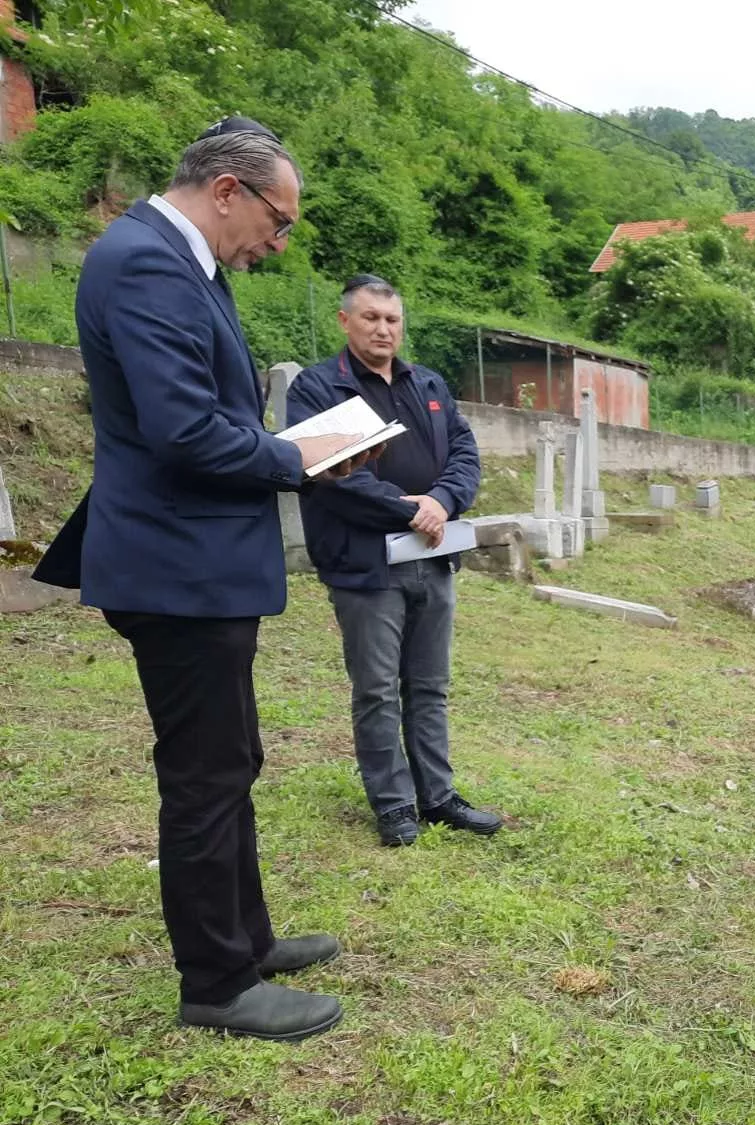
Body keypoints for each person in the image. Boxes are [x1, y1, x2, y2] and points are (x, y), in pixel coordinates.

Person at [39, 117, 371, 1041]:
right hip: (176, 562)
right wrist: (295, 459)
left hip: (194, 557)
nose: (280, 239)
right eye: (280, 217)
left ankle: (246, 937)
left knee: (230, 761)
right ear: (228, 190)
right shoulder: (146, 262)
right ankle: (217, 982)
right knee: (203, 773)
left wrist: (293, 453)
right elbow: (183, 431)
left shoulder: (184, 263)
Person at [286, 275, 499, 848]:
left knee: (429, 685)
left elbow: (463, 451)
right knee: (377, 688)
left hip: (432, 556)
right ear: (345, 321)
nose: (384, 329)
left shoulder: (426, 383)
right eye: (371, 318)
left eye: (392, 320)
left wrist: (442, 501)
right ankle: (394, 803)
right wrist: (407, 510)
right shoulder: (317, 389)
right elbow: (327, 474)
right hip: (364, 564)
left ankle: (438, 795)